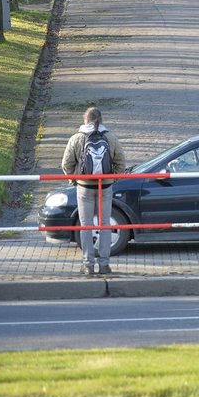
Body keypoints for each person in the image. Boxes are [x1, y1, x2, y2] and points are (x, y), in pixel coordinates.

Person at [61, 107, 126, 276]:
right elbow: (121, 162)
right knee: (105, 224)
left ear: (85, 120)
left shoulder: (76, 138)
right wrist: (113, 178)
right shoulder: (111, 137)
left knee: (86, 225)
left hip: (84, 188)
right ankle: (104, 264)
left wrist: (73, 179)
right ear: (101, 120)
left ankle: (88, 264)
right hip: (105, 187)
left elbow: (66, 164)